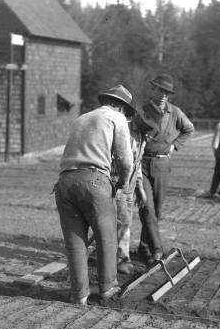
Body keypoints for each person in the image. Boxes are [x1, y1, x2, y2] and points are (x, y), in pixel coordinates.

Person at [54, 84, 134, 306]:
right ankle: (108, 287)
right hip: (95, 180)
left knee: (75, 242)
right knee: (106, 236)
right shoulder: (117, 118)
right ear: (120, 106)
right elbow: (125, 158)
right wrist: (123, 183)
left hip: (64, 182)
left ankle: (79, 294)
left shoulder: (82, 118)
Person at [137, 73, 195, 263]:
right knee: (147, 208)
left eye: (167, 92)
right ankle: (157, 249)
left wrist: (174, 145)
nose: (163, 95)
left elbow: (189, 128)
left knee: (158, 211)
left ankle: (144, 248)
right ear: (152, 89)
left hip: (163, 165)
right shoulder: (142, 110)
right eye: (160, 90)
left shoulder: (175, 112)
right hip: (142, 164)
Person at [115, 111, 150, 275]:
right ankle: (119, 259)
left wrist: (140, 187)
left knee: (125, 222)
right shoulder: (126, 132)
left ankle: (121, 257)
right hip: (119, 185)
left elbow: (138, 163)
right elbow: (121, 161)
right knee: (121, 221)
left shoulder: (143, 136)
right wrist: (121, 186)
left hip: (130, 186)